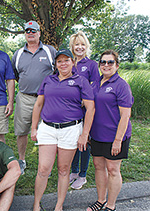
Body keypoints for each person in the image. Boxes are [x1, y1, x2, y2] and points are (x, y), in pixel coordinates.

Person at [30, 49, 95, 211]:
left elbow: (90, 108)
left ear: (72, 62)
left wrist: (85, 134)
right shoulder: (48, 80)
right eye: (59, 61)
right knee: (43, 169)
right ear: (56, 64)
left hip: (70, 130)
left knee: (64, 170)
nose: (63, 64)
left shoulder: (80, 81)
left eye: (66, 60)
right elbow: (38, 105)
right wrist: (34, 128)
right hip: (48, 129)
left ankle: (58, 207)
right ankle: (36, 206)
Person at [86, 50, 133, 211]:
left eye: (110, 62)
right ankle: (101, 200)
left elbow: (125, 116)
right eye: (103, 62)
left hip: (115, 136)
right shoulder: (95, 83)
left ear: (117, 65)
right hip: (97, 135)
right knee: (99, 167)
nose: (106, 65)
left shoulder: (121, 85)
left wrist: (118, 140)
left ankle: (111, 206)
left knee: (113, 169)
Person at [12, 20, 57, 175]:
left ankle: (45, 164)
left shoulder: (50, 51)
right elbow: (16, 75)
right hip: (24, 97)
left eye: (34, 31)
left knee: (46, 131)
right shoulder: (18, 54)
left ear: (39, 33)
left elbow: (58, 72)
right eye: (27, 31)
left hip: (46, 99)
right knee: (21, 131)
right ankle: (22, 160)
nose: (30, 33)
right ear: (25, 34)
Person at [68, 31, 100, 189]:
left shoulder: (91, 64)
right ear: (72, 47)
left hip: (85, 108)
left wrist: (85, 99)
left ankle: (82, 175)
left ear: (86, 46)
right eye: (76, 44)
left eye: (82, 44)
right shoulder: (69, 63)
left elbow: (95, 85)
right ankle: (73, 171)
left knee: (84, 140)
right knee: (74, 140)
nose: (79, 47)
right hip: (71, 109)